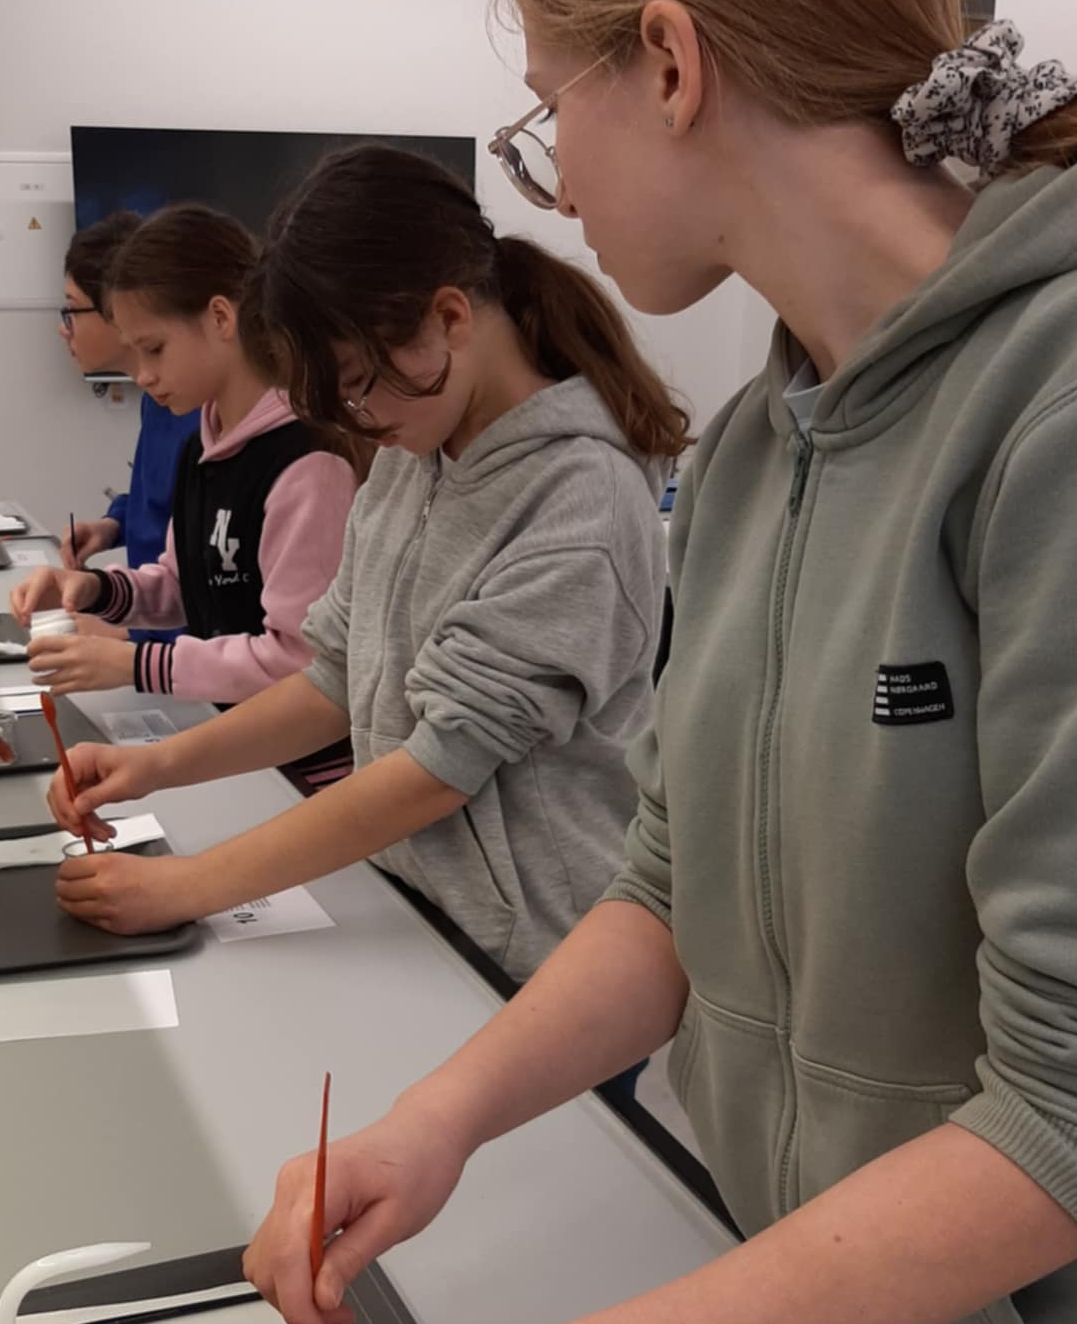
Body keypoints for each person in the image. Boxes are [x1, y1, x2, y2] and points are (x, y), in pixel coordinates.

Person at [238, 0, 1077, 1324]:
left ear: (666, 58)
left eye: (545, 117)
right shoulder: (752, 449)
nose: (549, 182)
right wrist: (439, 1120)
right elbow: (669, 885)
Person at [45, 143, 685, 983]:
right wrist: (157, 765)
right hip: (416, 905)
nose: (356, 417)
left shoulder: (579, 498)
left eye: (356, 382)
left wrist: (188, 886)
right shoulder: (415, 451)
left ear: (448, 318)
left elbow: (438, 768)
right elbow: (332, 675)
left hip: (534, 953)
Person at [11, 203, 359, 705]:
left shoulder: (307, 464)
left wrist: (137, 664)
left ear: (220, 317)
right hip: (231, 727)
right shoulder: (201, 446)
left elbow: (298, 663)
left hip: (297, 748)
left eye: (154, 349)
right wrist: (94, 589)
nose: (142, 374)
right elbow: (183, 583)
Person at [58, 211, 200, 581]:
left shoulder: (197, 410)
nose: (64, 328)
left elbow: (192, 570)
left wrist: (110, 607)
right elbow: (157, 503)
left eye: (72, 310)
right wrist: (113, 525)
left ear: (116, 312)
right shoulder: (156, 401)